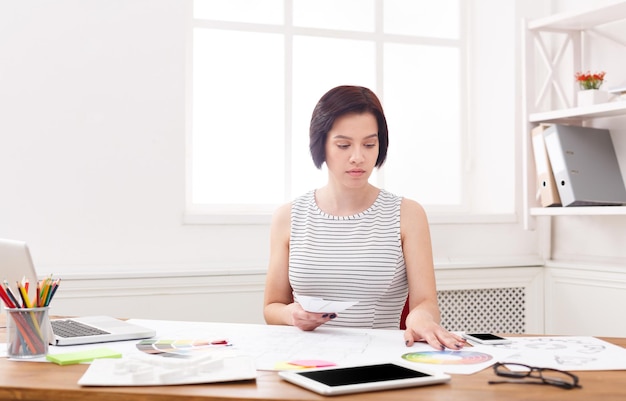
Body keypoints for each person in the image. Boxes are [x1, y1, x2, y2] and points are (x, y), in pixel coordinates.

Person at [263, 85, 465, 350]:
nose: (358, 157)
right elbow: (271, 307)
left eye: (369, 144)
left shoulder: (408, 215)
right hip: (305, 359)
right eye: (344, 145)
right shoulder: (288, 217)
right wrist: (292, 315)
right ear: (321, 144)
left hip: (379, 358)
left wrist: (420, 317)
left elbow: (425, 302)